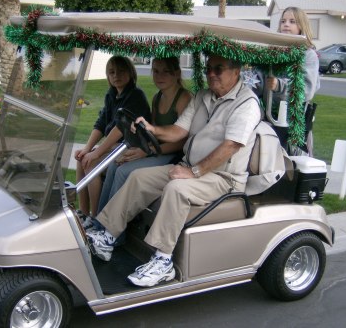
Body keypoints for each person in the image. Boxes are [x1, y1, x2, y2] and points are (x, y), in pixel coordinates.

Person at [86, 54, 262, 288]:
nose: (211, 74)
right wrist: (152, 128)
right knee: (138, 176)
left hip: (223, 178)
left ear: (236, 70)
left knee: (176, 188)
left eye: (218, 69)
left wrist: (195, 172)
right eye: (209, 68)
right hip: (192, 168)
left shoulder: (246, 103)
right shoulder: (203, 96)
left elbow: (231, 146)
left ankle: (163, 260)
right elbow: (179, 130)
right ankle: (107, 236)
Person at [97, 57, 192, 212]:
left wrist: (147, 151)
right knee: (115, 163)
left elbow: (182, 141)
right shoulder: (157, 98)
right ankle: (99, 220)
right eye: (155, 71)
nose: (159, 76)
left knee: (123, 172)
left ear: (177, 74)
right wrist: (142, 149)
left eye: (165, 72)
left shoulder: (184, 98)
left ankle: (112, 233)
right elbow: (152, 132)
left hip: (175, 156)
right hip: (156, 151)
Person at [75, 56, 151, 227]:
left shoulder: (135, 95)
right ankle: (84, 212)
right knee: (82, 159)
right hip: (116, 146)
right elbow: (102, 123)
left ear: (131, 73)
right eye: (112, 72)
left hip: (133, 145)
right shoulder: (112, 95)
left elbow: (120, 128)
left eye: (121, 71)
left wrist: (97, 152)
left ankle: (96, 216)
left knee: (92, 163)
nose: (116, 75)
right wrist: (87, 148)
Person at [262, 6, 320, 156]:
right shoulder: (274, 54)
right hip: (268, 119)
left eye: (292, 21)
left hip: (292, 124)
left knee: (290, 165)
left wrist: (279, 85)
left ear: (302, 26)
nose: (286, 24)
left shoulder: (308, 55)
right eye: (283, 21)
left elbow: (307, 89)